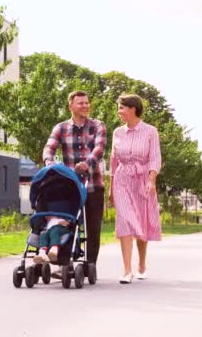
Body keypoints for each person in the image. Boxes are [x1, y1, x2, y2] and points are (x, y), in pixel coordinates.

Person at [43, 90, 107, 270]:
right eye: (81, 103)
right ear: (71, 105)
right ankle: (65, 263)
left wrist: (87, 163)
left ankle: (90, 265)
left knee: (93, 230)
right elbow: (49, 147)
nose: (85, 106)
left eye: (87, 102)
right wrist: (49, 162)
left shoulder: (98, 125)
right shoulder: (61, 128)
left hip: (93, 185)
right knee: (67, 223)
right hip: (71, 187)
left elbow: (99, 150)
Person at [110, 94, 162, 284]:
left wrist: (152, 180)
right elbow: (113, 159)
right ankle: (126, 270)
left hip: (142, 180)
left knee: (141, 222)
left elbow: (155, 157)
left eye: (121, 107)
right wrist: (111, 187)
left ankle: (141, 264)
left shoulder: (150, 131)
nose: (119, 111)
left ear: (133, 109)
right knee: (125, 221)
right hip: (122, 180)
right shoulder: (117, 132)